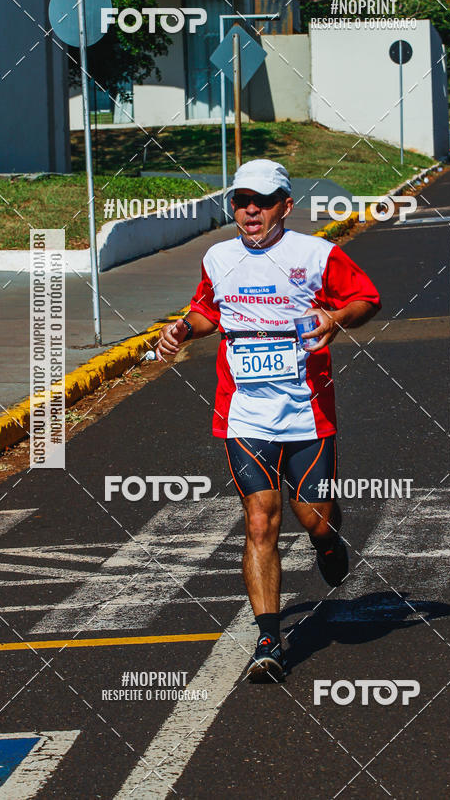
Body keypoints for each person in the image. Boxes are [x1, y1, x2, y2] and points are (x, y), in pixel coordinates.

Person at [153, 159, 381, 682]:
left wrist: (335, 317)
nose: (249, 209)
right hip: (244, 412)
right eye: (240, 200)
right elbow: (207, 312)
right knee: (260, 521)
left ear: (285, 205)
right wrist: (181, 330)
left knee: (314, 519)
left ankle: (329, 543)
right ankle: (269, 640)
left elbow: (367, 298)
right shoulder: (218, 256)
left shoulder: (315, 253)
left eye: (262, 200)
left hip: (306, 411)